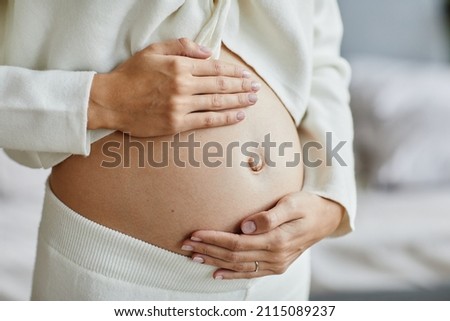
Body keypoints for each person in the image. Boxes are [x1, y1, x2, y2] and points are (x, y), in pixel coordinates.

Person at [0, 0, 356, 300]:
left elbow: (321, 58)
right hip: (118, 272)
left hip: (280, 279)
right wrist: (100, 102)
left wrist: (332, 197)